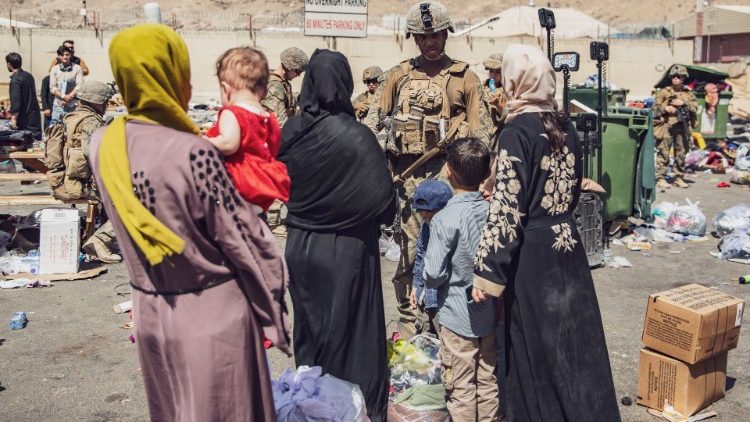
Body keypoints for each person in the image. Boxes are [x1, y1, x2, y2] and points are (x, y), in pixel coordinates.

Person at [88, 24, 290, 421]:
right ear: (173, 74)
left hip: (150, 312)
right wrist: (275, 312)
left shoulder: (103, 143)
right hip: (212, 316)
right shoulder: (193, 151)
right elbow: (244, 240)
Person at [471, 44, 620, 421]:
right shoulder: (564, 125)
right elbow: (570, 190)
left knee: (534, 348)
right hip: (567, 249)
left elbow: (507, 208)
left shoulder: (515, 131)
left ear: (516, 79)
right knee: (574, 345)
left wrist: (487, 274)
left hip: (533, 254)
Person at [278, 49, 397, 422]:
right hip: (348, 249)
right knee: (353, 330)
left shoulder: (291, 131)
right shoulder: (357, 136)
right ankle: (355, 408)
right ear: (345, 83)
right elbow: (383, 203)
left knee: (312, 328)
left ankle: (312, 404)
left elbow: (281, 184)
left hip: (301, 246)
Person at [379, 0, 487, 334]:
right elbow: (376, 125)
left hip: (452, 180)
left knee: (453, 251)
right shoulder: (397, 76)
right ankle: (413, 320)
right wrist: (388, 146)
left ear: (446, 34)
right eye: (423, 37)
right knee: (411, 252)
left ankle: (449, 322)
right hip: (409, 181)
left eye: (436, 35)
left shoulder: (465, 78)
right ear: (413, 38)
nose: (430, 43)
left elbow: (481, 134)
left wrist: (471, 179)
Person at [423, 138, 498, 421]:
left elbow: (433, 273)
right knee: (488, 379)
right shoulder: (493, 210)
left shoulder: (445, 218)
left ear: (449, 171)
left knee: (461, 386)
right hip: (488, 313)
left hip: (456, 315)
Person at [204, 46, 290, 213]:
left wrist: (203, 141)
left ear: (226, 89)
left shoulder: (233, 113)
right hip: (262, 190)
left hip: (238, 187)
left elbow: (229, 143)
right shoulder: (268, 119)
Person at [408, 179, 452, 336]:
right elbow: (420, 255)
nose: (425, 216)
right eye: (422, 213)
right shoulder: (426, 226)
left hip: (442, 302)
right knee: (424, 340)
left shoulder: (451, 231)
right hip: (424, 296)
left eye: (430, 213)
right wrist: (416, 286)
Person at [653, 65, 697, 189]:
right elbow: (654, 109)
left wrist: (684, 103)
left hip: (682, 126)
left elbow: (695, 108)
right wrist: (665, 108)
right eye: (673, 76)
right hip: (667, 126)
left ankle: (678, 177)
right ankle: (660, 177)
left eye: (678, 76)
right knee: (664, 152)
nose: (675, 79)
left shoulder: (688, 93)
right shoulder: (664, 92)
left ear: (683, 78)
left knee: (681, 153)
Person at [262, 47, 308, 128]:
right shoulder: (276, 87)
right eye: (297, 71)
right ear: (288, 67)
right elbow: (281, 123)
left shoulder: (283, 83)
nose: (298, 75)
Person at [5, 52, 42, 141]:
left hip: (24, 122)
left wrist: (13, 119)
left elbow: (16, 102)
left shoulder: (15, 80)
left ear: (9, 65)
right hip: (34, 119)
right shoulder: (29, 76)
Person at [49, 45, 85, 125]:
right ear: (59, 56)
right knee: (55, 127)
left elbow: (80, 85)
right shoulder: (54, 69)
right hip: (59, 105)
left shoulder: (77, 68)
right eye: (62, 55)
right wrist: (63, 96)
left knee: (73, 127)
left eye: (66, 54)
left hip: (73, 105)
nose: (64, 57)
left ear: (70, 55)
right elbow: (52, 87)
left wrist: (69, 97)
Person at [480, 53, 508, 148]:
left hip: (499, 136)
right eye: (491, 71)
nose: (493, 75)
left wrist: (497, 104)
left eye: (498, 72)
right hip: (483, 135)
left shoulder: (508, 90)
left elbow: (509, 116)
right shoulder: (481, 87)